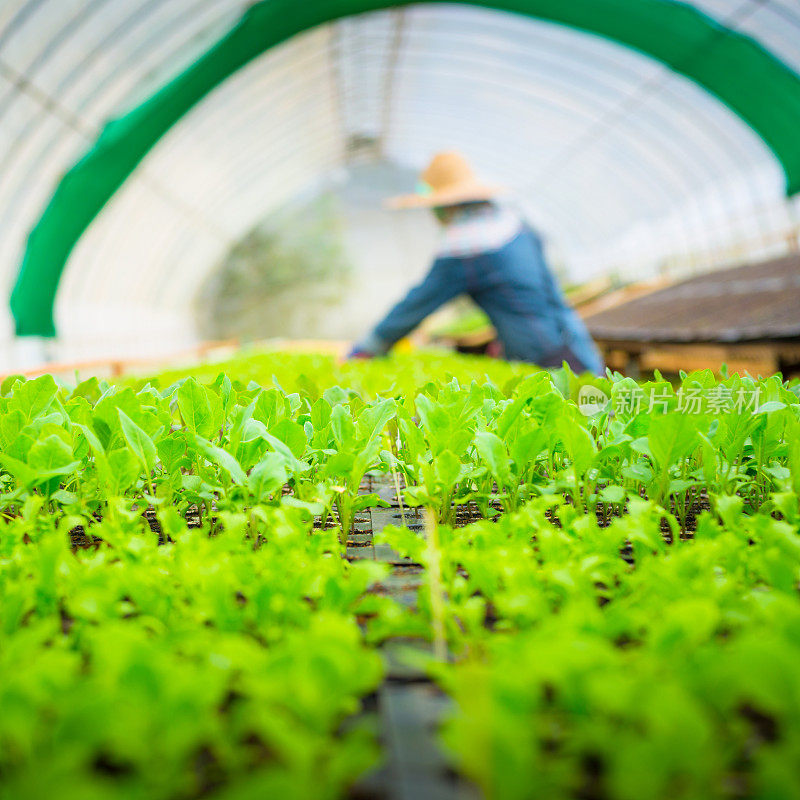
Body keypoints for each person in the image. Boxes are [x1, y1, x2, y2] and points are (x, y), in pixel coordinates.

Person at [349, 152, 604, 375]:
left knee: (579, 418)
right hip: (574, 342)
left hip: (542, 358)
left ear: (446, 206)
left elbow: (416, 304)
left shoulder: (466, 246)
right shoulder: (515, 225)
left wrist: (367, 348)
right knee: (599, 414)